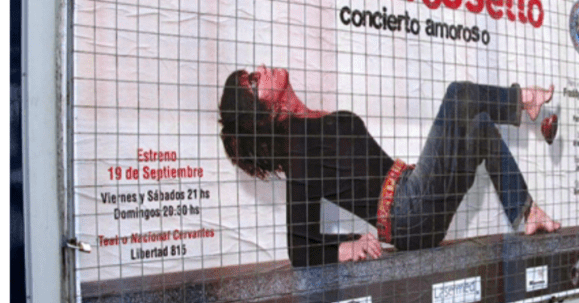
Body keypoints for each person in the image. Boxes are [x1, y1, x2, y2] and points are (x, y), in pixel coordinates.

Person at [219, 67, 560, 267]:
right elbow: (299, 246)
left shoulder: (308, 124)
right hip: (406, 213)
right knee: (459, 95)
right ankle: (525, 100)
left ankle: (527, 212)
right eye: (254, 80)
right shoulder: (296, 146)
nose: (261, 69)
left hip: (414, 200)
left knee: (481, 126)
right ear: (261, 110)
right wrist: (347, 246)